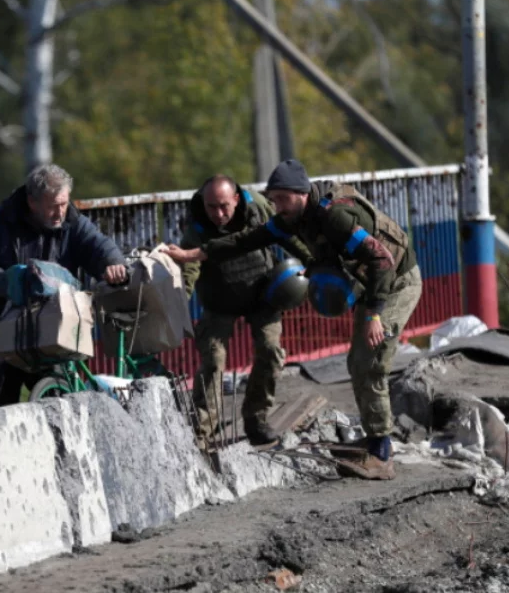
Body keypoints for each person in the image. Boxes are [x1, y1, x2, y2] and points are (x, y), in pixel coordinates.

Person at [166, 160, 422, 479]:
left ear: (301, 195)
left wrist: (373, 314)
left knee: (371, 359)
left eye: (282, 199)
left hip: (396, 283)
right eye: (273, 200)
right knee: (357, 360)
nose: (277, 207)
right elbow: (247, 240)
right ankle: (373, 441)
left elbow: (381, 258)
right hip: (373, 284)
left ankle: (381, 456)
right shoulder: (290, 218)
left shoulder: (335, 218)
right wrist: (195, 254)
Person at [0, 163, 128, 409]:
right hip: (0, 337)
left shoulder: (73, 224)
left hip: (51, 334)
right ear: (32, 202)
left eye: (64, 204)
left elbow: (98, 246)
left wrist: (112, 263)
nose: (60, 213)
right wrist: (1, 280)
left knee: (61, 404)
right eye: (53, 207)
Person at [180, 175, 312, 446]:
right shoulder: (196, 226)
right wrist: (181, 298)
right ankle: (202, 432)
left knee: (270, 349)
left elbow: (284, 233)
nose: (218, 214)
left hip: (263, 294)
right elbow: (189, 268)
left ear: (237, 199)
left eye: (224, 206)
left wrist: (313, 262)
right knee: (213, 360)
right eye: (211, 207)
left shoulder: (258, 207)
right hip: (219, 301)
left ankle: (256, 417)